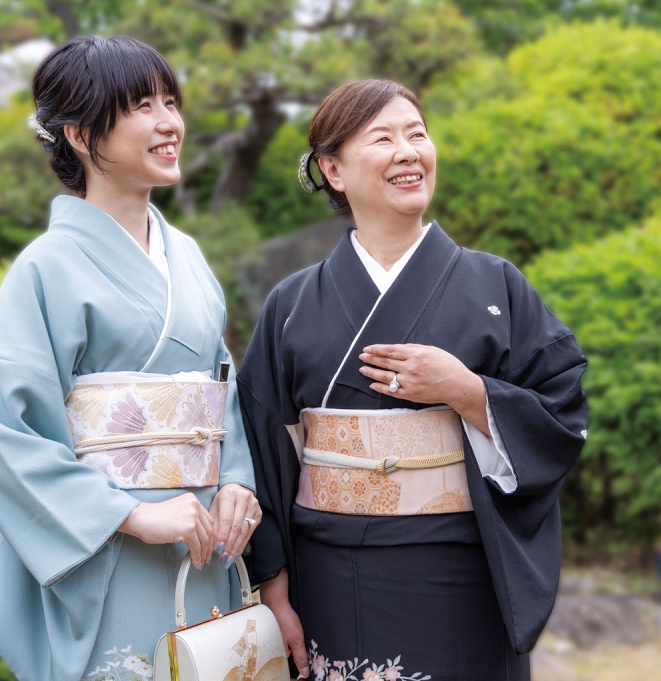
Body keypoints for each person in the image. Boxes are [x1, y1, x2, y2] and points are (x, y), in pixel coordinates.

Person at [237, 79, 589, 680]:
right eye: (383, 139)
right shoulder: (291, 304)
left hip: (460, 575)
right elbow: (260, 454)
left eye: (417, 134)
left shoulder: (497, 286)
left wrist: (466, 391)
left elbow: (562, 415)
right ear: (333, 170)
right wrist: (273, 587)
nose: (408, 152)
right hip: (331, 576)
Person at [0, 35, 260, 681]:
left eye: (170, 103)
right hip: (111, 550)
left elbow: (222, 388)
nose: (169, 123)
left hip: (202, 539)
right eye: (141, 107)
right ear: (79, 135)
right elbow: (3, 429)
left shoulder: (187, 256)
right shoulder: (46, 268)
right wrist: (130, 514)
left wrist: (238, 481)